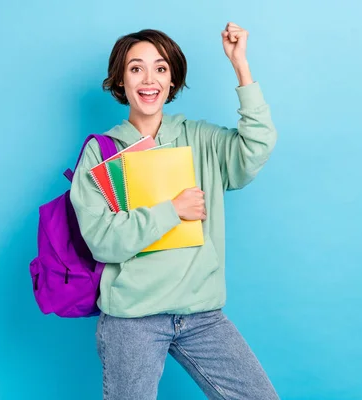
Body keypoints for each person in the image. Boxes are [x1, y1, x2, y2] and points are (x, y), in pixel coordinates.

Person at [70, 22, 279, 400]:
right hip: (133, 319)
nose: (149, 79)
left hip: (201, 314)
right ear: (120, 80)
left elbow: (257, 146)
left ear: (171, 80)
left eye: (160, 68)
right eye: (136, 68)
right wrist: (172, 211)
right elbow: (103, 242)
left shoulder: (202, 139)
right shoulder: (101, 154)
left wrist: (240, 65)